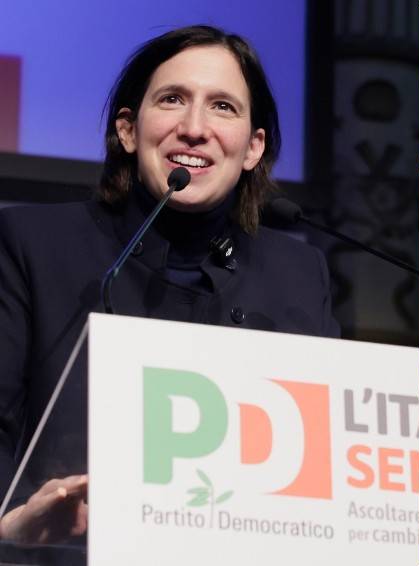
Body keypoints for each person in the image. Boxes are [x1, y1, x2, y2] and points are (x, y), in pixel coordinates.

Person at [0, 25, 339, 544]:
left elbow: (325, 458)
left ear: (253, 147)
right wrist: (9, 527)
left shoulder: (298, 274)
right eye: (172, 99)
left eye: (223, 106)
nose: (194, 128)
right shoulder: (33, 244)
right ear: (129, 130)